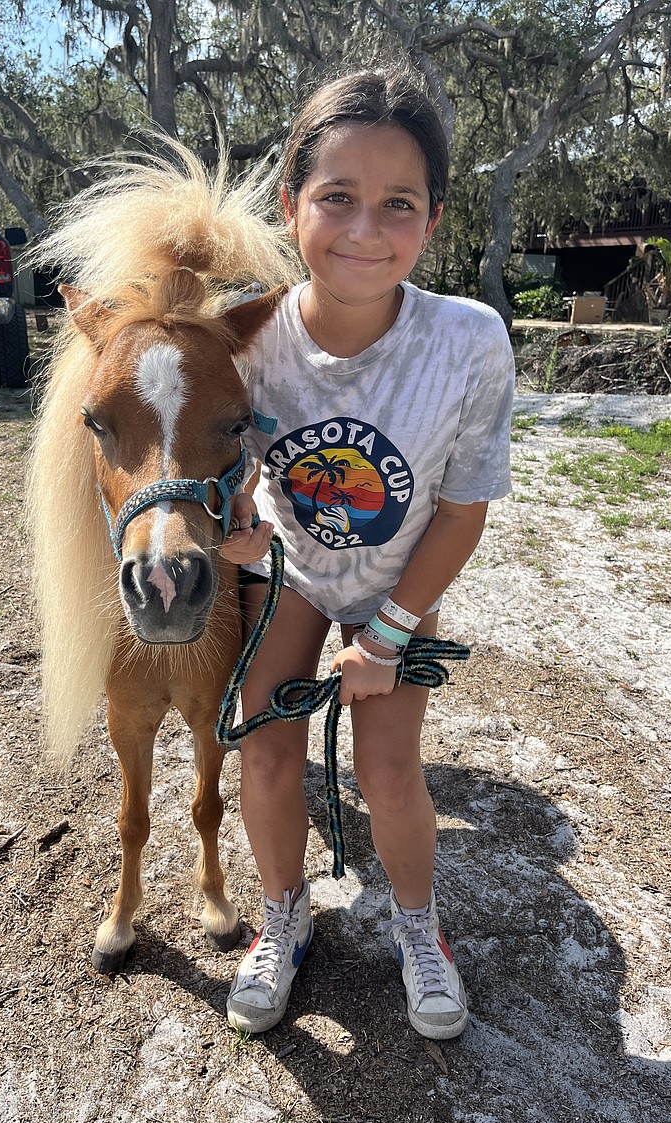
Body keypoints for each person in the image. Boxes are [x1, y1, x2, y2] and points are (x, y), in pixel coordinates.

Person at [219, 65, 515, 1041]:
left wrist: (386, 634)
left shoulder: (469, 342)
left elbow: (461, 509)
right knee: (264, 754)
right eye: (335, 197)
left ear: (430, 220)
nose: (362, 229)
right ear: (288, 203)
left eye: (397, 204)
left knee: (389, 772)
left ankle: (418, 927)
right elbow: (216, 455)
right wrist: (236, 522)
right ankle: (282, 914)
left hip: (398, 578)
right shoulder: (246, 336)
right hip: (291, 569)